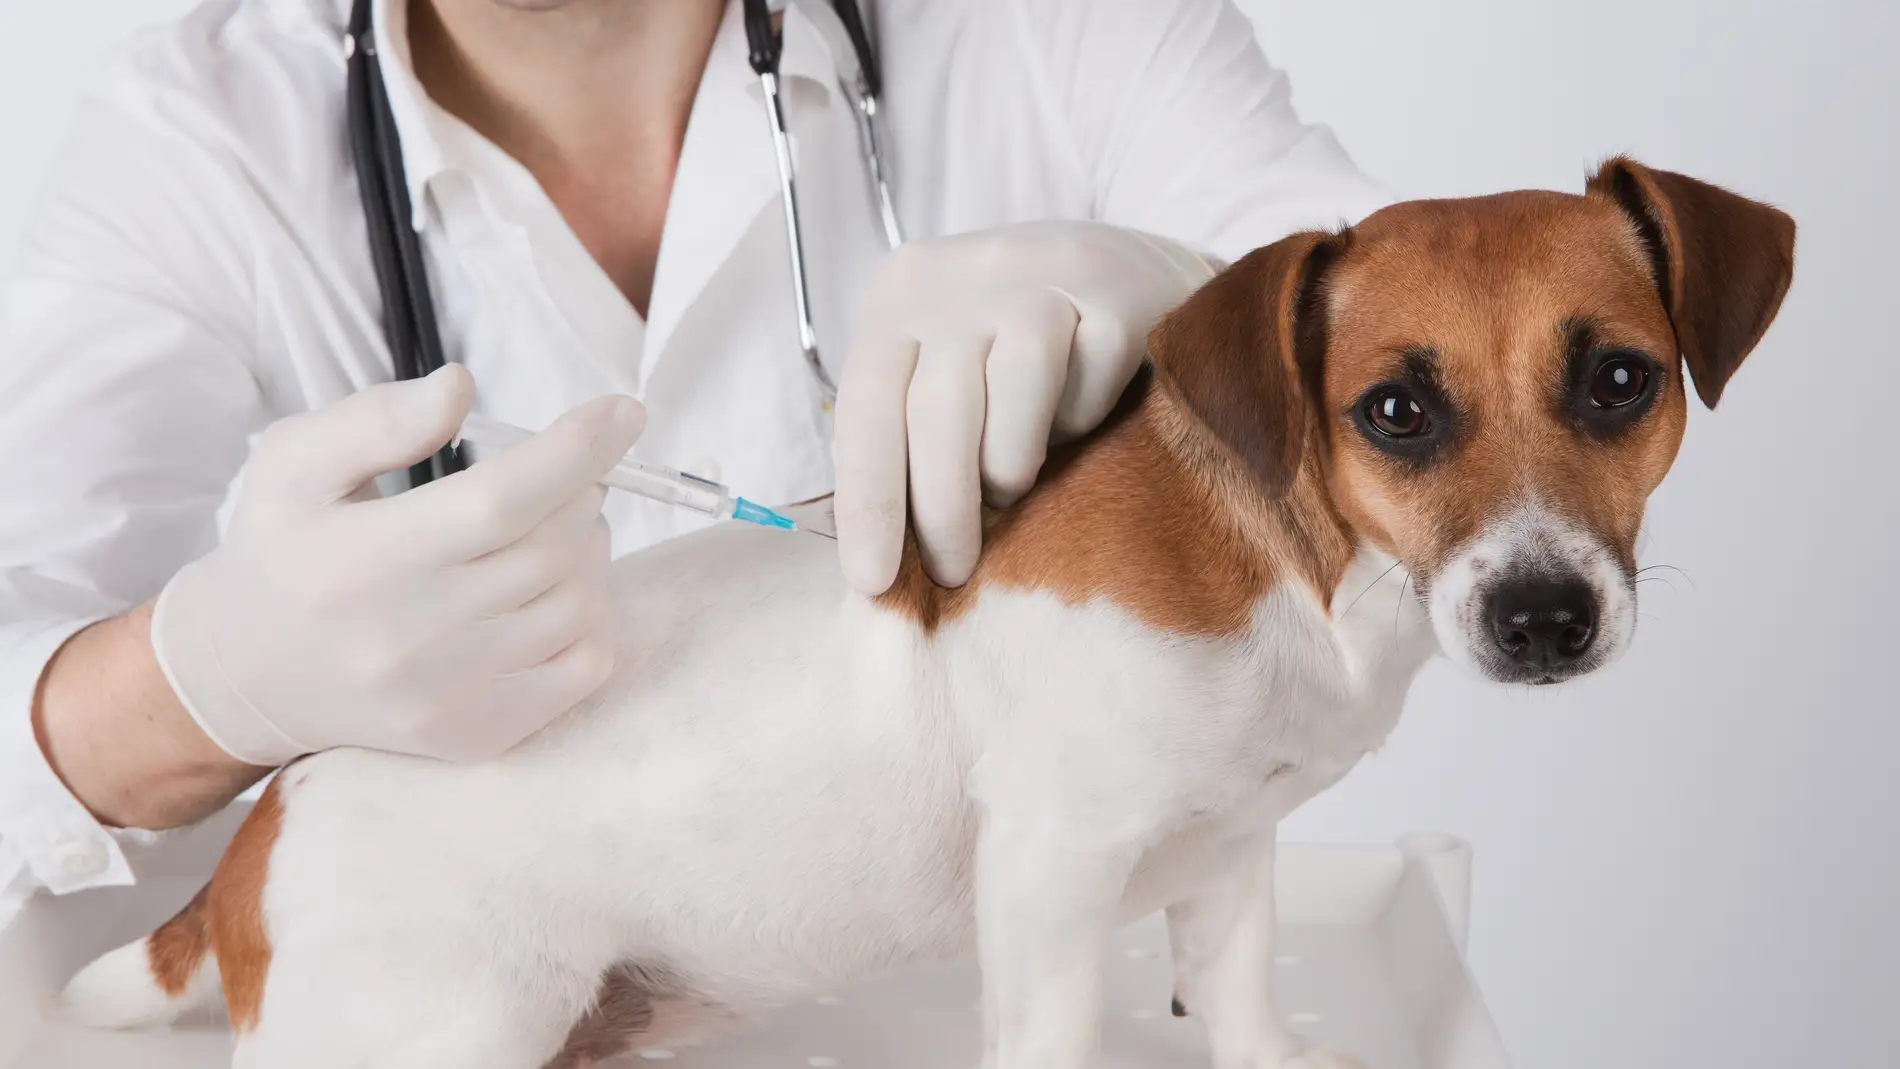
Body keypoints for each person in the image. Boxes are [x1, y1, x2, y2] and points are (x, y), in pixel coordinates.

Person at [0, 0, 1388, 899]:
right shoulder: (200, 138)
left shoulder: (1054, 32)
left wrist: (1189, 289)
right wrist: (203, 686)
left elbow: (1466, 327)